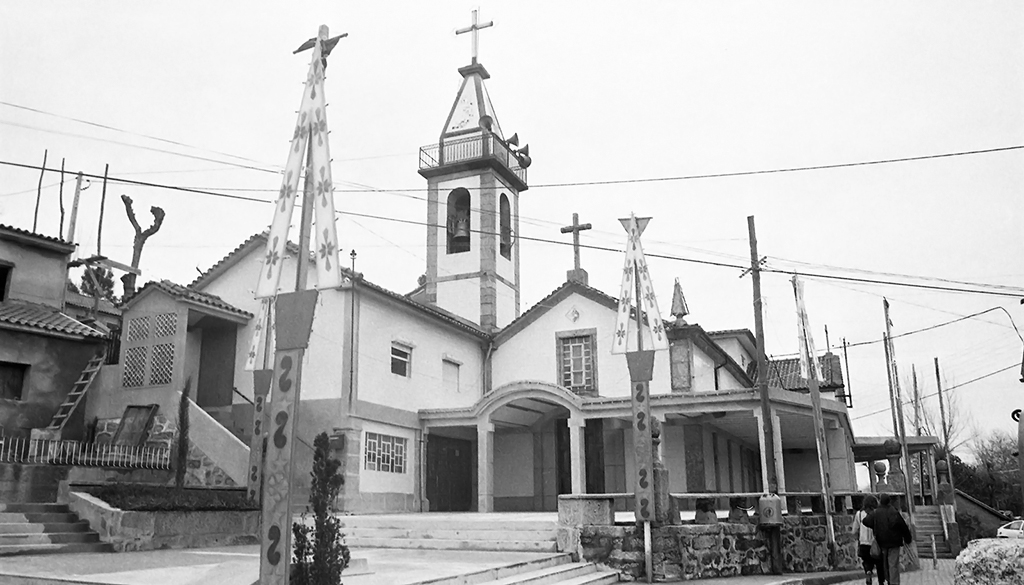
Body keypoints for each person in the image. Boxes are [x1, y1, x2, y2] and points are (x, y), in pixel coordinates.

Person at [863, 494, 913, 585]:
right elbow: (903, 526)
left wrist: (875, 526)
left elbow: (865, 521)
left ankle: (887, 580)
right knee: (893, 564)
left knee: (884, 564)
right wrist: (907, 538)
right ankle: (894, 582)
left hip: (882, 542)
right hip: (894, 543)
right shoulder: (894, 512)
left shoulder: (876, 512)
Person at [855, 495, 884, 585]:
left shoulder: (859, 514)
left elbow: (854, 530)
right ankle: (881, 581)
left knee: (867, 562)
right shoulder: (877, 513)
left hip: (863, 543)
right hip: (875, 543)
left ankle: (868, 572)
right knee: (879, 563)